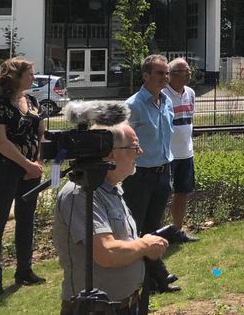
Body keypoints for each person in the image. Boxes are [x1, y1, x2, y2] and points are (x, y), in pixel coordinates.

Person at [54, 123, 169, 315]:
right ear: (110, 154)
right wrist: (145, 246)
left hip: (125, 305)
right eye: (134, 147)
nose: (140, 152)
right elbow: (106, 253)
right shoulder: (81, 194)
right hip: (95, 310)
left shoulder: (110, 188)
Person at [122, 54, 180, 292]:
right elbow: (122, 138)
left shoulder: (166, 101)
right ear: (145, 76)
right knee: (136, 228)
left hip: (162, 173)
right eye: (159, 73)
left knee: (152, 228)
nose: (165, 78)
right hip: (140, 176)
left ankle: (153, 277)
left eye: (166, 73)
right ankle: (151, 278)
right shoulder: (133, 105)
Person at [0, 57, 46, 293]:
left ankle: (24, 270)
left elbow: (41, 136)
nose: (34, 78)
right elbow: (1, 142)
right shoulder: (0, 104)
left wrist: (37, 163)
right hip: (5, 169)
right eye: (30, 74)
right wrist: (26, 164)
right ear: (16, 77)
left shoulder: (34, 101)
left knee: (27, 220)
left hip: (32, 170)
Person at [162, 58, 198, 243]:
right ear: (173, 74)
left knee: (182, 192)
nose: (189, 73)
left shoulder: (190, 93)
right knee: (161, 195)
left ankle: (177, 231)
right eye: (185, 70)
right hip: (167, 154)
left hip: (186, 152)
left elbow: (189, 120)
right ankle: (158, 234)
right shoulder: (162, 94)